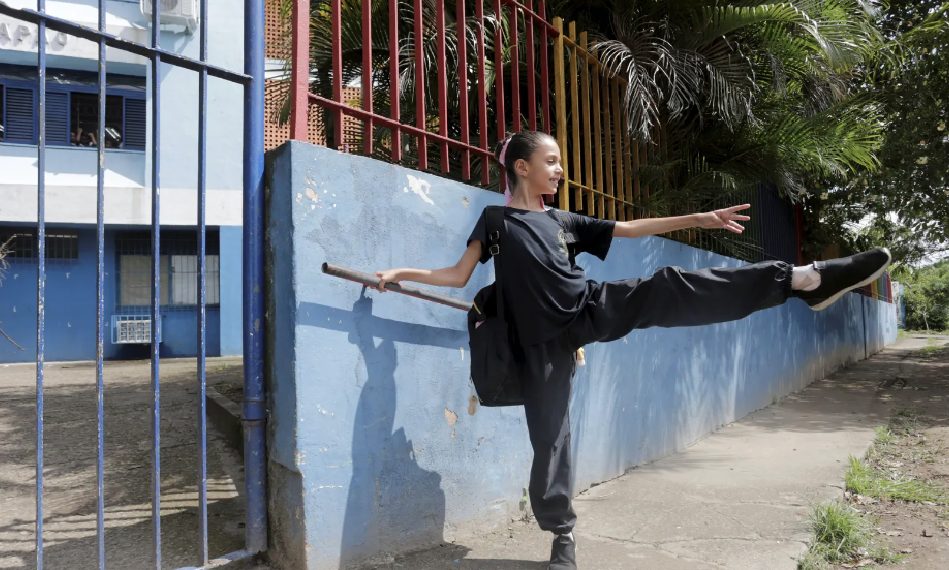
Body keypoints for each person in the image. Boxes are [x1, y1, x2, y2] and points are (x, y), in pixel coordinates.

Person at [374, 130, 891, 570]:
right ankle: (562, 534)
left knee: (666, 285)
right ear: (521, 166)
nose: (559, 171)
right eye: (551, 162)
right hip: (538, 345)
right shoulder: (495, 221)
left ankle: (801, 280)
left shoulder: (563, 223)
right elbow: (458, 275)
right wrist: (402, 274)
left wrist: (700, 219)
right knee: (550, 438)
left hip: (588, 308)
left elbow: (629, 228)